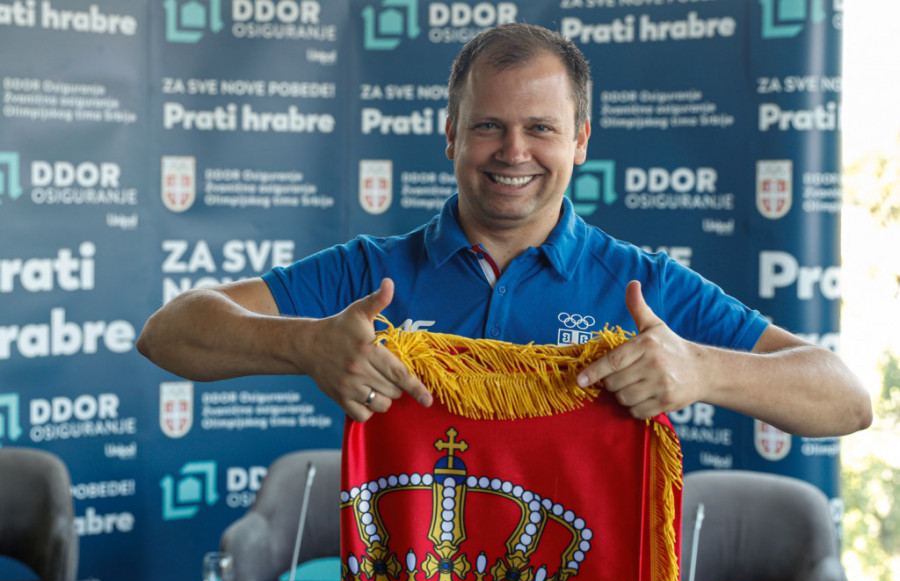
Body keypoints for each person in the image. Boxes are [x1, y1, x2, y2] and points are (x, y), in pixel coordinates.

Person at [137, 23, 871, 437]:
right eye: (488, 126)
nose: (513, 152)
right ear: (450, 135)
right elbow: (168, 333)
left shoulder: (643, 284)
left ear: (580, 141)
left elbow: (846, 398)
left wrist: (704, 371)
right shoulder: (369, 273)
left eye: (540, 129)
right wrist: (306, 345)